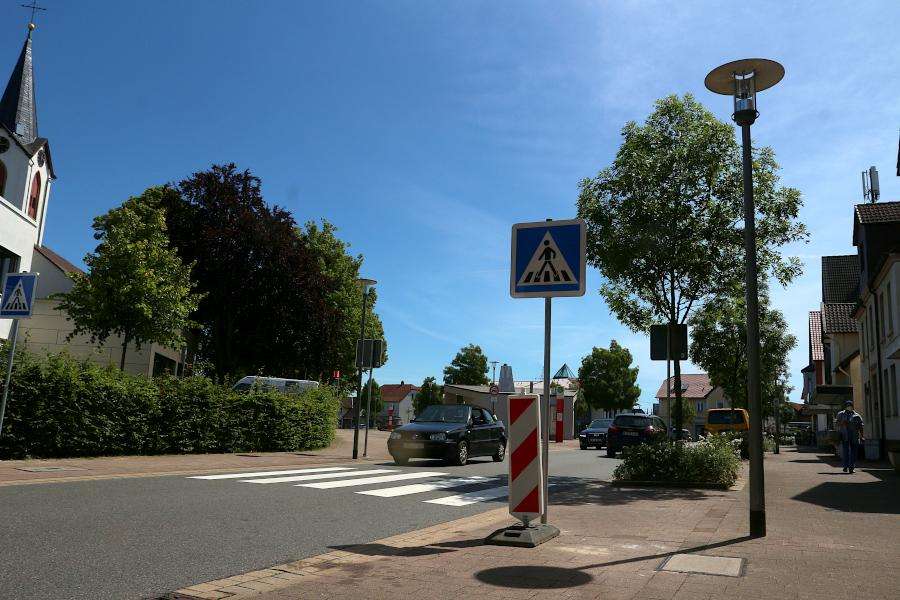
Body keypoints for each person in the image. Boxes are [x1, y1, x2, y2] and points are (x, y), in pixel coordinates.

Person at [835, 401, 865, 473]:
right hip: (845, 435)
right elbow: (836, 424)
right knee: (846, 452)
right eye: (848, 405)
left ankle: (851, 467)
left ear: (852, 406)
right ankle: (845, 466)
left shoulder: (857, 415)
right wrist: (842, 423)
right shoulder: (840, 414)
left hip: (854, 436)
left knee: (854, 452)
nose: (849, 407)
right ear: (845, 407)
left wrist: (862, 436)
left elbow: (861, 426)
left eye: (850, 405)